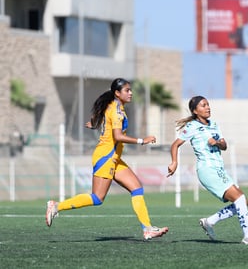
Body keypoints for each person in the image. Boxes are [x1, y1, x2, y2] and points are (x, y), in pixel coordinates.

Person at [45, 78, 168, 240]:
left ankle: (148, 229)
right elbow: (117, 135)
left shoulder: (114, 106)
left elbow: (104, 121)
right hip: (106, 157)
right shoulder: (116, 109)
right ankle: (56, 206)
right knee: (97, 198)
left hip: (113, 157)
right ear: (117, 93)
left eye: (130, 90)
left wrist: (95, 123)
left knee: (137, 188)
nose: (130, 93)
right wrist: (141, 141)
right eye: (127, 90)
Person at [167, 96, 248, 245]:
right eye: (203, 105)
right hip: (207, 169)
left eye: (208, 105)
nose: (207, 107)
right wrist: (174, 162)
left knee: (244, 201)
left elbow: (224, 146)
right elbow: (175, 145)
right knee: (239, 199)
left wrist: (217, 143)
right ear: (195, 111)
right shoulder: (192, 126)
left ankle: (210, 221)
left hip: (219, 169)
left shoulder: (214, 124)